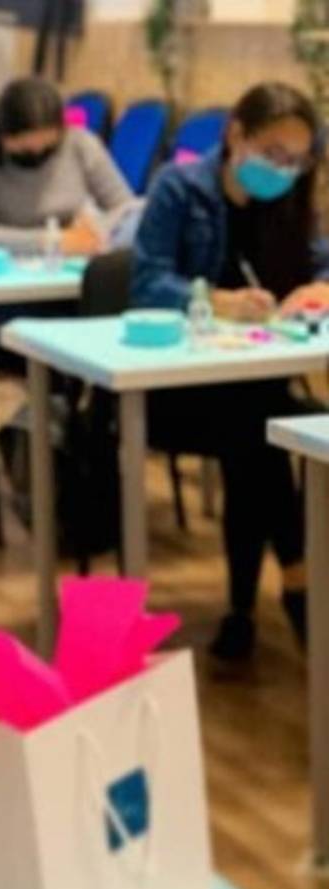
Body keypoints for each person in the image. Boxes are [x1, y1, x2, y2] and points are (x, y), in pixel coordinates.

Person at [132, 81, 328, 661]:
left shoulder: (289, 201)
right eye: (273, 153)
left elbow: (320, 262)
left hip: (254, 384)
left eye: (296, 160)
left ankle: (246, 610)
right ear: (235, 135)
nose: (284, 169)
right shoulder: (179, 188)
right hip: (176, 391)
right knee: (257, 431)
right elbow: (147, 281)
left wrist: (316, 289)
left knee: (260, 426)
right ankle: (297, 584)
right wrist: (215, 300)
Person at [0, 77, 135, 372]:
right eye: (25, 148)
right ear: (4, 133)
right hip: (8, 291)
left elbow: (126, 207)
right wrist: (50, 241)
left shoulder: (80, 144)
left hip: (73, 282)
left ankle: (84, 409)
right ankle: (49, 404)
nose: (37, 154)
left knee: (111, 314)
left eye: (46, 146)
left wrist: (96, 229)